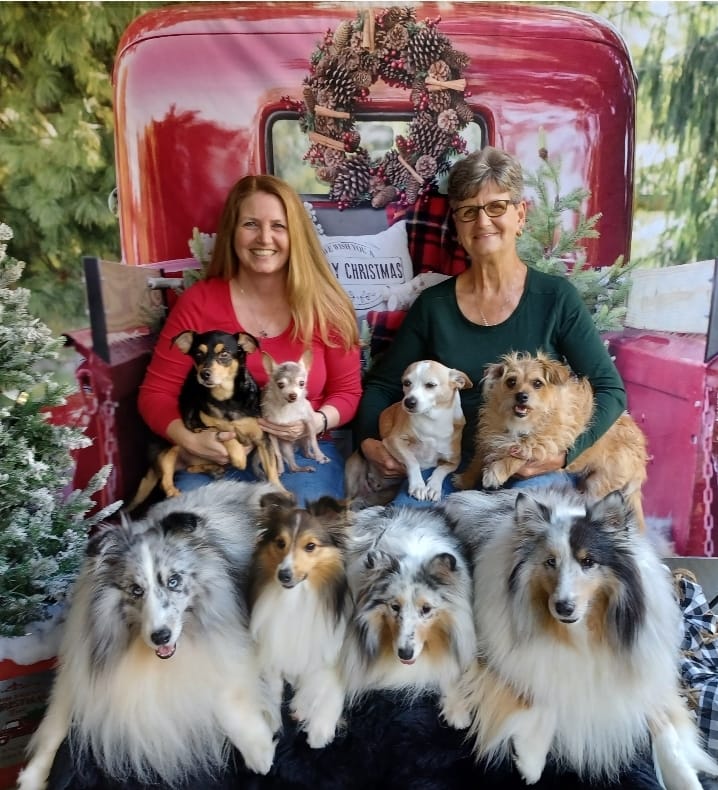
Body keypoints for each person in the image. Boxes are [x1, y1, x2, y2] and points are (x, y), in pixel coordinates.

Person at [355, 146, 627, 502]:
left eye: (496, 206)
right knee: (405, 543)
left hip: (526, 471)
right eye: (468, 211)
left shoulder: (555, 298)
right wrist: (369, 443)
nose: (482, 222)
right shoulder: (433, 306)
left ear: (520, 214)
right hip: (443, 469)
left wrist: (562, 455)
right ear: (457, 224)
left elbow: (610, 389)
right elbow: (382, 385)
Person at [138, 174, 362, 504]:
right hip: (216, 453)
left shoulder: (325, 306)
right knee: (192, 532)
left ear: (296, 235)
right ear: (232, 232)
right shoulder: (199, 303)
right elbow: (156, 394)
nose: (264, 238)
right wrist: (189, 439)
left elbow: (348, 392)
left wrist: (316, 420)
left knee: (300, 527)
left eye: (278, 226)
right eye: (251, 224)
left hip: (298, 453)